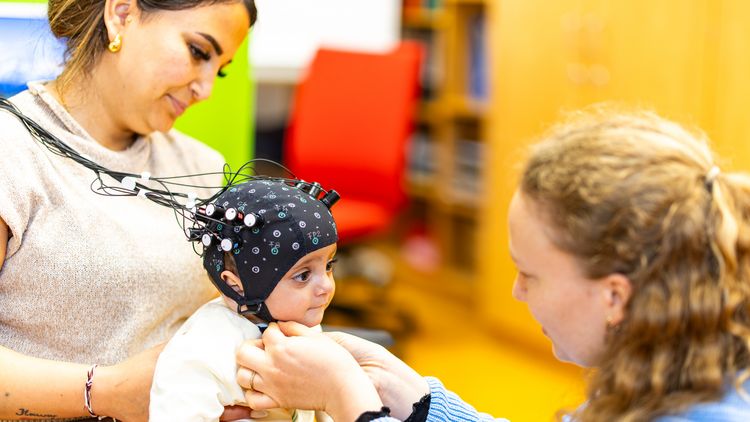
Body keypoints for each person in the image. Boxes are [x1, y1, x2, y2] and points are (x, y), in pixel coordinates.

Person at [233, 109, 750, 421]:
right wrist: (413, 398)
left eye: (529, 273)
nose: (518, 293)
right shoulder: (659, 380)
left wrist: (343, 397)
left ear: (614, 295)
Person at [0, 0, 257, 420]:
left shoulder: (204, 169)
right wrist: (108, 392)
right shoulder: (12, 151)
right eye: (198, 51)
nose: (206, 89)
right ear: (122, 14)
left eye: (220, 68)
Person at [149, 179, 337, 422]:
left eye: (329, 265)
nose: (326, 286)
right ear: (236, 284)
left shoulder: (300, 322)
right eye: (303, 276)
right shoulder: (202, 350)